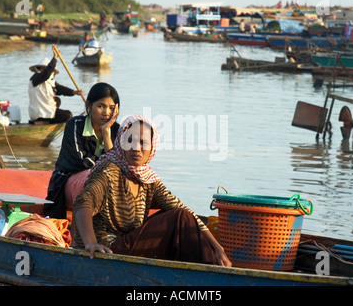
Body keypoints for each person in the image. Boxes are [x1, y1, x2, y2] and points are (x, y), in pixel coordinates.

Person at [71, 115, 232, 267]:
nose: (136, 148)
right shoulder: (110, 171)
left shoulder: (147, 179)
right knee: (179, 218)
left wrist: (217, 248)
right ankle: (211, 272)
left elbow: (182, 209)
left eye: (143, 143)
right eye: (130, 141)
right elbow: (82, 203)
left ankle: (210, 267)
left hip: (128, 244)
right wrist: (90, 243)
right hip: (108, 249)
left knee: (182, 217)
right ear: (121, 143)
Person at [44, 82, 120, 219]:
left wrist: (106, 133)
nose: (106, 113)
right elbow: (79, 161)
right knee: (93, 176)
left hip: (104, 185)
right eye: (101, 106)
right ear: (89, 105)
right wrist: (107, 166)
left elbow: (118, 166)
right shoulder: (75, 125)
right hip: (67, 182)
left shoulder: (116, 130)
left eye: (111, 108)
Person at [28, 44, 84, 124]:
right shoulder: (36, 78)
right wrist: (55, 58)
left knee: (57, 100)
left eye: (45, 68)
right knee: (68, 115)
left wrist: (75, 92)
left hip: (46, 109)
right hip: (39, 112)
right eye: (43, 68)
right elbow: (47, 73)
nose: (44, 70)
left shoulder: (49, 82)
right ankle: (46, 120)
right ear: (39, 69)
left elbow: (60, 89)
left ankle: (49, 119)